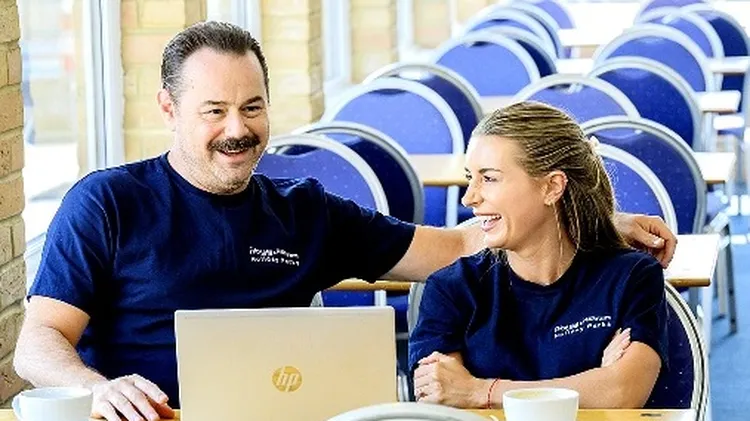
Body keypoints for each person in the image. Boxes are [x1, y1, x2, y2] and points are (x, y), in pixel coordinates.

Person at [13, 22, 675, 421]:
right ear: (168, 108)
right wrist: (99, 389)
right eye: (214, 110)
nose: (238, 128)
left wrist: (587, 217)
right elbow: (36, 343)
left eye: (252, 107)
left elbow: (455, 245)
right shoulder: (106, 203)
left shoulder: (304, 211)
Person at [409, 101, 669, 409]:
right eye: (470, 178)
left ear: (552, 187)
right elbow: (444, 402)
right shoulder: (450, 289)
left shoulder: (632, 276)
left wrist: (480, 391)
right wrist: (593, 383)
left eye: (489, 178)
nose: (469, 198)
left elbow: (622, 392)